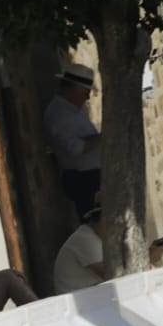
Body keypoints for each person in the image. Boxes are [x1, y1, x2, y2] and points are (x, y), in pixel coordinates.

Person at [53, 207, 163, 294]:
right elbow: (115, 276)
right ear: (100, 220)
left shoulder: (101, 238)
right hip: (82, 300)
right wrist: (148, 259)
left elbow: (125, 266)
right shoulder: (85, 239)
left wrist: (147, 259)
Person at [43, 63, 102, 220]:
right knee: (93, 225)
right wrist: (105, 137)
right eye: (84, 93)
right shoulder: (59, 114)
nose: (87, 97)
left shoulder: (72, 111)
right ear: (73, 88)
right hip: (83, 179)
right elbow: (76, 148)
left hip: (90, 177)